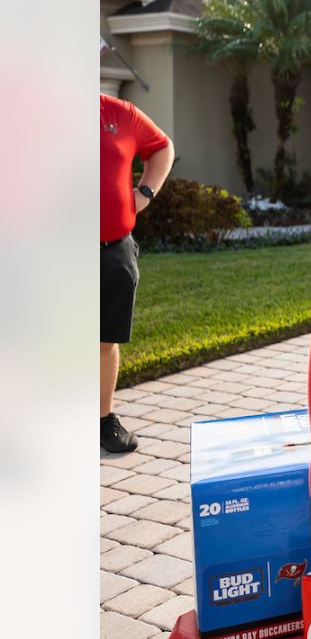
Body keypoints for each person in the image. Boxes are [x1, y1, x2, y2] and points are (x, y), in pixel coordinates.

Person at [101, 94, 174, 453]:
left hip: (114, 248)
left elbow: (162, 147)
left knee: (105, 340)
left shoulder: (120, 113)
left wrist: (145, 192)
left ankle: (103, 421)